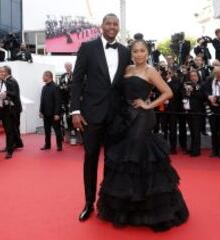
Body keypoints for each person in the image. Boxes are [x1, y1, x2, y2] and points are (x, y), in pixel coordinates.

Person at [96, 39, 189, 232]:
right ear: (131, 53)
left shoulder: (150, 71)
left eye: (142, 51)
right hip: (124, 119)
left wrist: (148, 104)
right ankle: (130, 207)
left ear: (148, 53)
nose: (139, 54)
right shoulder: (127, 69)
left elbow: (168, 92)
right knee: (127, 161)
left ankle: (150, 209)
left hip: (142, 117)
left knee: (138, 157)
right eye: (136, 51)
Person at [70, 13, 131, 222]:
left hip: (116, 116)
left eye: (115, 24)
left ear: (118, 27)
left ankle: (109, 202)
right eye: (108, 23)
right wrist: (75, 111)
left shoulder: (125, 52)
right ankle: (88, 203)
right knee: (91, 159)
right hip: (91, 115)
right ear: (101, 26)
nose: (112, 27)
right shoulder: (87, 48)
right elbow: (76, 80)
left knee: (113, 161)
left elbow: (125, 84)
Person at [203, 66, 220, 159]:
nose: (219, 76)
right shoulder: (209, 80)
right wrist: (209, 97)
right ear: (214, 74)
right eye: (217, 74)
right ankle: (214, 150)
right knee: (213, 130)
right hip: (212, 108)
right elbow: (204, 91)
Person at [182, 69, 205, 156]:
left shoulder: (201, 85)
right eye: (191, 76)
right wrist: (187, 92)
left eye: (195, 76)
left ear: (198, 77)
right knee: (192, 131)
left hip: (198, 112)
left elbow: (202, 97)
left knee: (196, 132)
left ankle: (196, 151)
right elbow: (184, 95)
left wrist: (193, 91)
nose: (193, 78)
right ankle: (192, 148)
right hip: (189, 111)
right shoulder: (186, 85)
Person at [39, 71, 63, 151]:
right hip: (46, 113)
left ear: (48, 76)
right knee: (47, 130)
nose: (42, 78)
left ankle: (59, 145)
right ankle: (47, 144)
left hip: (54, 114)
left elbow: (58, 101)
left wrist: (57, 114)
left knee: (57, 131)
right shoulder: (44, 87)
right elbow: (42, 100)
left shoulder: (56, 87)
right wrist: (41, 111)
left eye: (43, 76)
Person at [2, 66, 24, 149]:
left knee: (13, 127)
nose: (1, 73)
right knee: (14, 127)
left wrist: (5, 92)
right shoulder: (10, 80)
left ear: (7, 72)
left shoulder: (10, 81)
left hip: (14, 108)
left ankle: (15, 144)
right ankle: (17, 143)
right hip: (15, 108)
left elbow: (14, 94)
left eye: (3, 71)